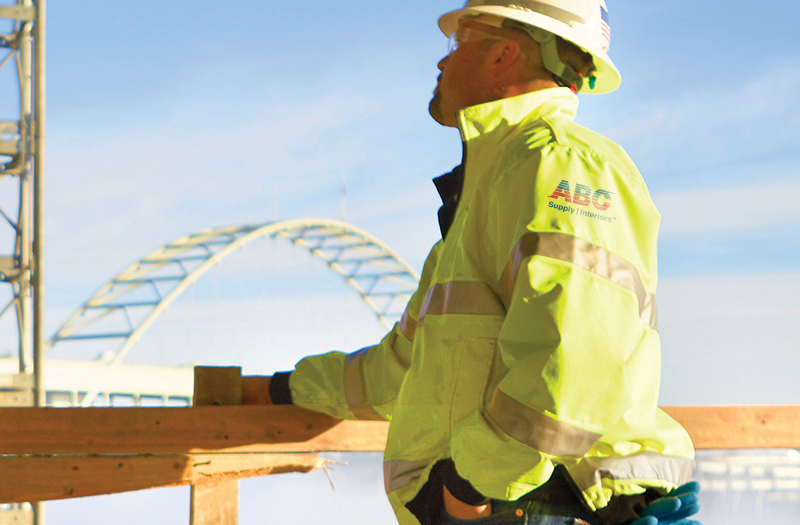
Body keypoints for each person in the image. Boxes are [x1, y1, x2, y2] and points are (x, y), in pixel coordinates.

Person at [241, 1, 701, 524]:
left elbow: (577, 360)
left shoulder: (560, 162)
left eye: (457, 42)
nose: (442, 62)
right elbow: (404, 367)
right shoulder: (492, 185)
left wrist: (469, 486)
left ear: (504, 53)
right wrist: (282, 390)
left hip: (560, 504)